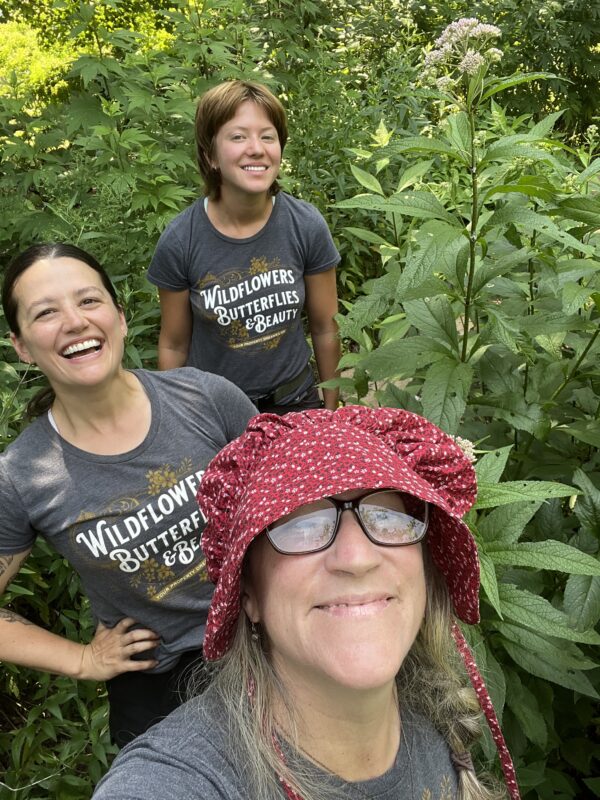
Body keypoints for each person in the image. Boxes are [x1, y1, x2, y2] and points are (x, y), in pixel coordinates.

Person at [93, 406, 521, 800]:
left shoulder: (434, 713)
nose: (356, 558)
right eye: (302, 525)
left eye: (387, 516)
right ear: (248, 594)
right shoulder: (178, 780)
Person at [0, 243, 257, 747]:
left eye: (88, 301)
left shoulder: (205, 397)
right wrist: (81, 659)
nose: (74, 322)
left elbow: (297, 497)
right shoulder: (23, 475)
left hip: (267, 635)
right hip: (160, 682)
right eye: (46, 313)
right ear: (22, 346)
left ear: (119, 317)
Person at [147, 79, 341, 413]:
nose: (257, 148)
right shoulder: (181, 240)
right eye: (238, 136)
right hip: (217, 413)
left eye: (268, 136)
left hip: (296, 403)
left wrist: (333, 412)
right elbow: (174, 346)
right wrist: (179, 421)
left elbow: (326, 328)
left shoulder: (305, 225)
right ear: (210, 155)